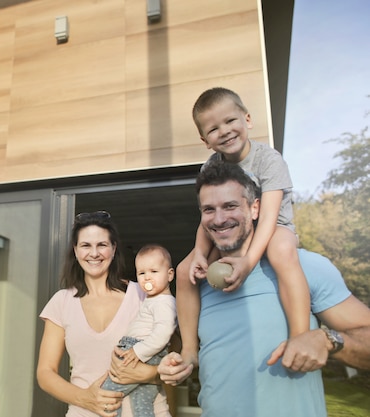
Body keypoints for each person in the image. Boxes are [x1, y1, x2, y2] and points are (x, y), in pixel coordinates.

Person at [158, 161, 370, 416]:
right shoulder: (199, 281)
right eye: (208, 210)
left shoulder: (304, 266)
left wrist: (329, 341)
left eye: (230, 206)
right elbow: (193, 356)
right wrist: (182, 362)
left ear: (255, 208)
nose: (219, 218)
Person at [176, 87, 311, 370]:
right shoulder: (210, 167)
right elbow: (207, 216)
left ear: (247, 119)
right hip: (230, 230)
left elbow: (270, 216)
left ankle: (300, 335)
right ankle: (189, 349)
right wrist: (200, 253)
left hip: (273, 226)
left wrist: (248, 261)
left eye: (230, 121)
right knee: (184, 271)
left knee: (282, 250)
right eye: (213, 129)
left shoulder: (268, 159)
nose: (224, 131)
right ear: (205, 140)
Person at [36, 211, 172, 417]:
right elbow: (45, 374)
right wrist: (85, 399)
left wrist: (152, 373)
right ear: (75, 250)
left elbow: (175, 355)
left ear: (113, 248)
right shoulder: (61, 302)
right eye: (85, 246)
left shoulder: (143, 294)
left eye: (102, 245)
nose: (94, 253)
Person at [101, 244, 177, 417]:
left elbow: (163, 334)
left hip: (143, 352)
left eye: (154, 272)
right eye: (142, 273)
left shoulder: (164, 303)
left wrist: (137, 351)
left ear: (170, 275)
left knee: (108, 395)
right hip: (143, 352)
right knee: (141, 406)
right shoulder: (154, 300)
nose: (147, 278)